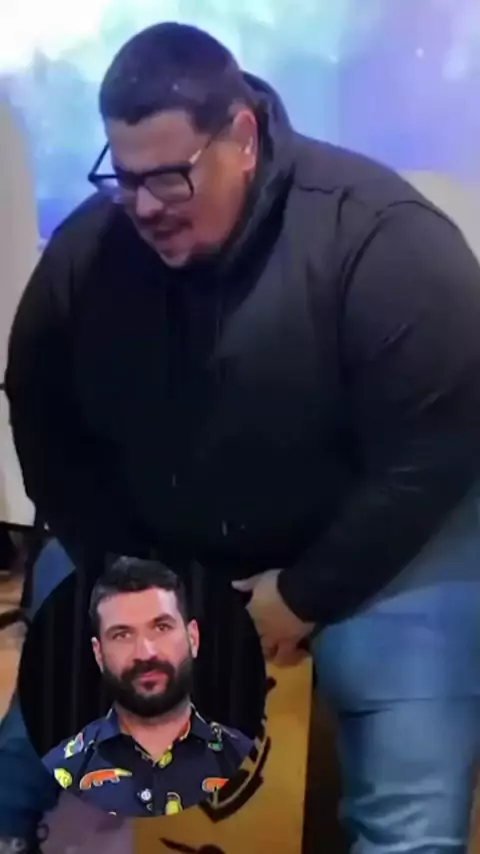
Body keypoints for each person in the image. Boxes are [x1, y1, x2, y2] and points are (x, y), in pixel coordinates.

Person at [2, 19, 480, 854]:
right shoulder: (90, 252)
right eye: (125, 177)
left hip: (379, 541)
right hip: (158, 542)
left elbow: (435, 450)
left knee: (408, 803)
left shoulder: (383, 240)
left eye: (170, 178)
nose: (144, 207)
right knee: (35, 732)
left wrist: (303, 597)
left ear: (244, 139)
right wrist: (129, 576)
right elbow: (45, 422)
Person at [36, 557, 252, 817]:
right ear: (99, 654)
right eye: (122, 635)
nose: (145, 653)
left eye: (161, 627)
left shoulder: (242, 757)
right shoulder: (62, 769)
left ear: (193, 638)